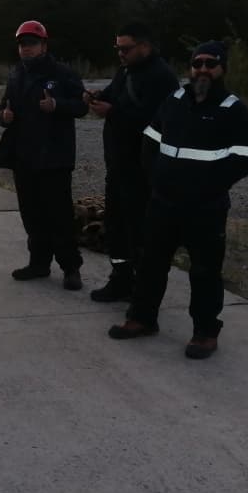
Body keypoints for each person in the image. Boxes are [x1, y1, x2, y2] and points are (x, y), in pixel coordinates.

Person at [107, 40, 248, 359]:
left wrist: (206, 187)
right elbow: (150, 141)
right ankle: (141, 319)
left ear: (222, 69)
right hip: (164, 203)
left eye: (210, 63)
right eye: (196, 63)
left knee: (204, 271)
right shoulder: (174, 101)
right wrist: (157, 180)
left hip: (205, 207)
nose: (202, 69)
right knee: (150, 263)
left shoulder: (233, 110)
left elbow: (243, 158)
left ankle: (204, 332)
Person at [0, 20, 89, 290]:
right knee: (31, 215)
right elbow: (1, 111)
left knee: (60, 215)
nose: (26, 49)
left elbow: (81, 106)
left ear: (44, 45)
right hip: (24, 157)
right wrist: (4, 118)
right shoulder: (16, 74)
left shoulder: (62, 73)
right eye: (22, 44)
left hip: (54, 158)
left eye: (31, 43)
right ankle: (39, 264)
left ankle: (71, 268)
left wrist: (56, 105)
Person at [84, 22, 179, 303]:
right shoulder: (126, 71)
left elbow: (158, 121)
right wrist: (97, 97)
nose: (120, 54)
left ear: (145, 46)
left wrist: (113, 112)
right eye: (117, 49)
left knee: (141, 230)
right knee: (116, 226)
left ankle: (143, 287)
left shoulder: (162, 77)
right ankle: (120, 279)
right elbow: (114, 95)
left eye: (125, 49)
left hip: (144, 169)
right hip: (118, 164)